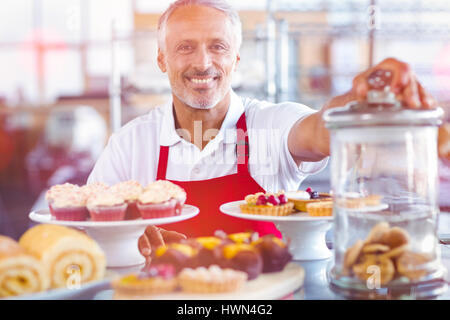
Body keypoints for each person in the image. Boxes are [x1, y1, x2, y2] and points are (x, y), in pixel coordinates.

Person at [87, 0, 437, 259]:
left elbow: (320, 130)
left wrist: (364, 96)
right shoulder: (131, 144)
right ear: (161, 58)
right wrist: (128, 242)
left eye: (218, 47)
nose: (203, 63)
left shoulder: (268, 124)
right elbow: (89, 235)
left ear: (236, 59)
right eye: (185, 47)